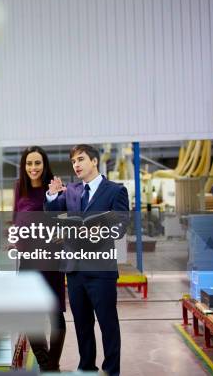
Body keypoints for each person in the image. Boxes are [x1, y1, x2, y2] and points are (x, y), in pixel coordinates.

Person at [45, 144, 128, 376]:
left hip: (101, 270)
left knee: (107, 323)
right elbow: (53, 214)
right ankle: (86, 367)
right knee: (82, 325)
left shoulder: (115, 190)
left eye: (81, 159)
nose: (76, 165)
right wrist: (52, 196)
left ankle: (111, 370)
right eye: (73, 161)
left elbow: (121, 226)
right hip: (75, 270)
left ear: (94, 161)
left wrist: (97, 231)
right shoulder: (71, 191)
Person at [12, 146, 66, 371]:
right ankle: (47, 364)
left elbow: (63, 221)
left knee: (55, 315)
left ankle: (53, 363)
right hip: (27, 260)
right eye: (29, 163)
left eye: (37, 163)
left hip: (50, 260)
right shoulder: (19, 188)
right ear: (24, 166)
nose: (33, 168)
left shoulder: (54, 188)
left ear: (44, 165)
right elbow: (16, 217)